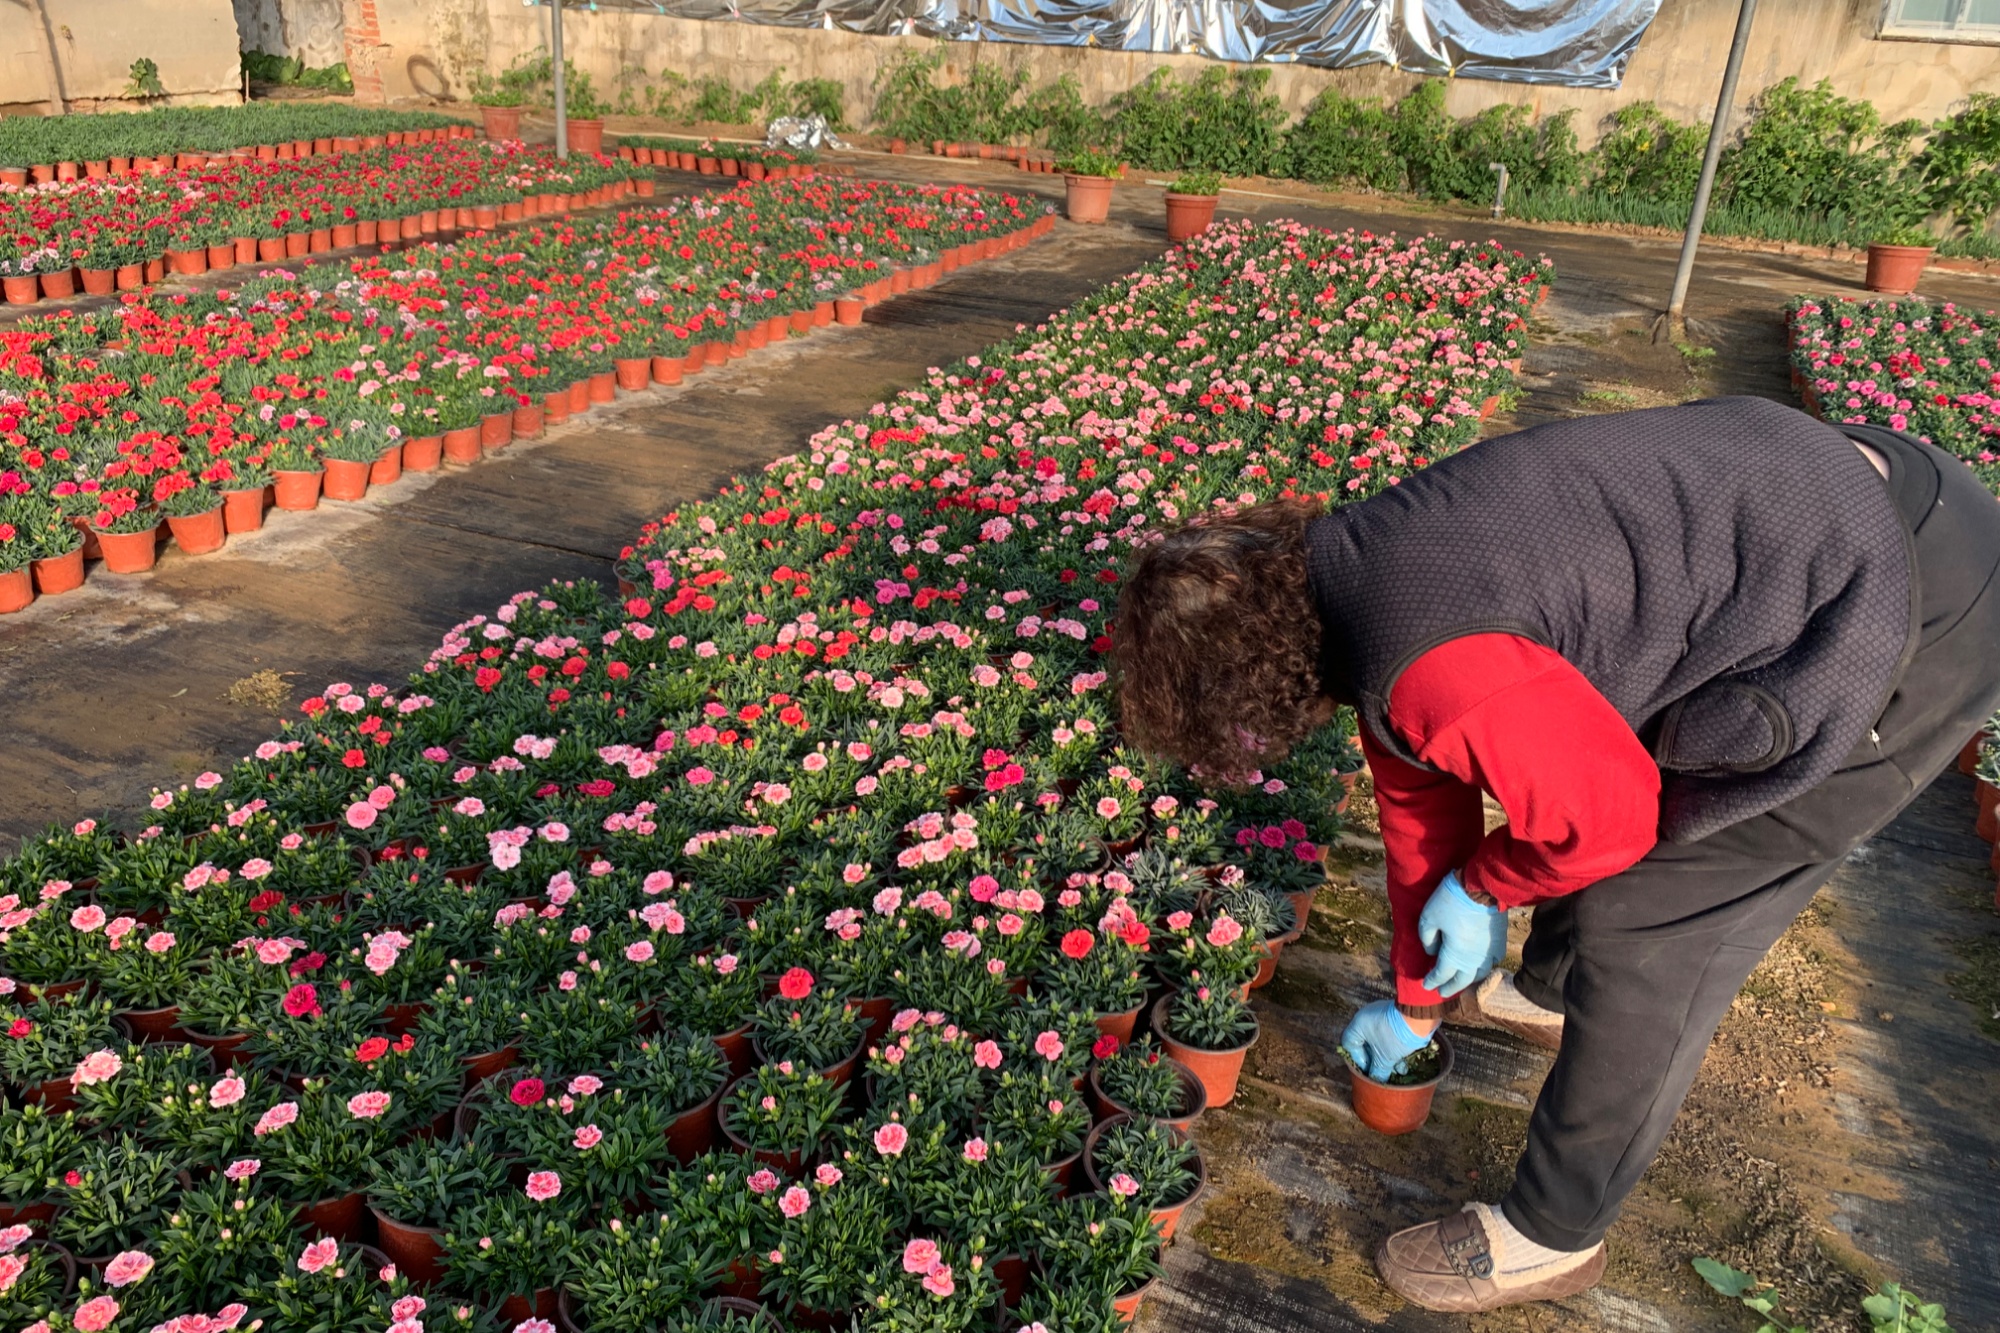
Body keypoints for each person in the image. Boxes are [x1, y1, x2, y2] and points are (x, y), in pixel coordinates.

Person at [1112, 396, 2000, 1313]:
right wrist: (1417, 999)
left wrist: (1485, 879)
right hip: (1843, 500)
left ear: (1253, 678)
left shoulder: (1425, 662)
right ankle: (1545, 992)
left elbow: (1607, 823)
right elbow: (1421, 813)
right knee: (1609, 766)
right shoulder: (1363, 579)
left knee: (1654, 921)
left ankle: (1552, 1233)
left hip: (1905, 613)